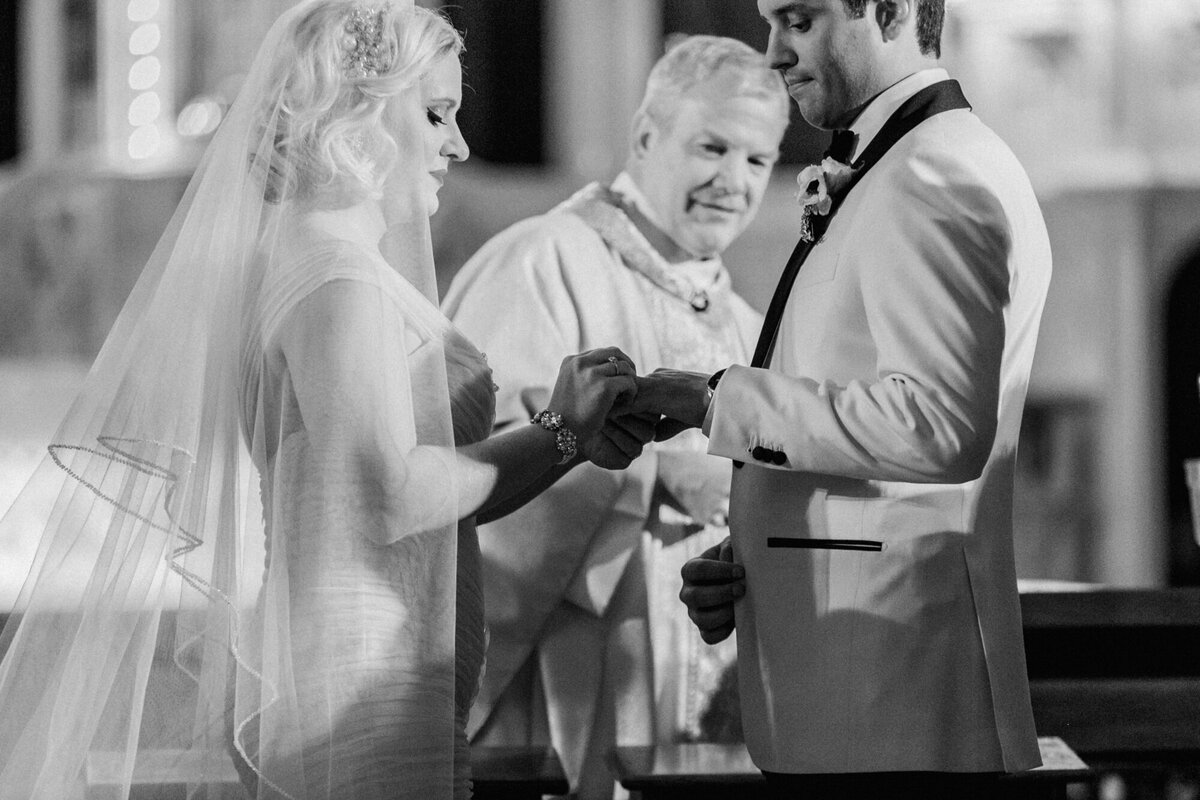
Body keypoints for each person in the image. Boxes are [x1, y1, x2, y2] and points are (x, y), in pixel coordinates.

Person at [0, 3, 652, 799]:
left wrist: (570, 438)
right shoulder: (336, 282)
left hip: (381, 673)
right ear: (359, 112)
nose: (460, 145)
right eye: (436, 114)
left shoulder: (332, 264)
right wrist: (559, 432)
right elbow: (391, 498)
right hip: (357, 687)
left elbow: (416, 489)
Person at [632, 1, 1052, 797]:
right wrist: (759, 546)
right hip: (863, 706)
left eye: (798, 19)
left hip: (892, 713)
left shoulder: (932, 170)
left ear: (889, 9)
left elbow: (939, 426)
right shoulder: (909, 163)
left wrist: (714, 399)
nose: (773, 53)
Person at [442, 35, 789, 799]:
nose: (734, 181)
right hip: (573, 667)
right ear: (644, 137)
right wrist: (661, 477)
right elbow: (459, 474)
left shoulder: (745, 319)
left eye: (758, 161)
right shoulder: (545, 260)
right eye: (712, 147)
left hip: (707, 677)